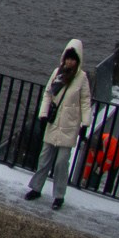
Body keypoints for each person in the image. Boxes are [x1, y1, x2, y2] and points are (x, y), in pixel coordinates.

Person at [26, 39, 91, 210]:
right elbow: (48, 94)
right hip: (54, 122)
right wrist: (43, 114)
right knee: (44, 158)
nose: (69, 62)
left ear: (78, 60)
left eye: (73, 59)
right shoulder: (57, 73)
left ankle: (59, 195)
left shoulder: (82, 78)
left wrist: (85, 123)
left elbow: (85, 101)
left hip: (69, 125)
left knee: (62, 163)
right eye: (68, 58)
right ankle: (36, 188)